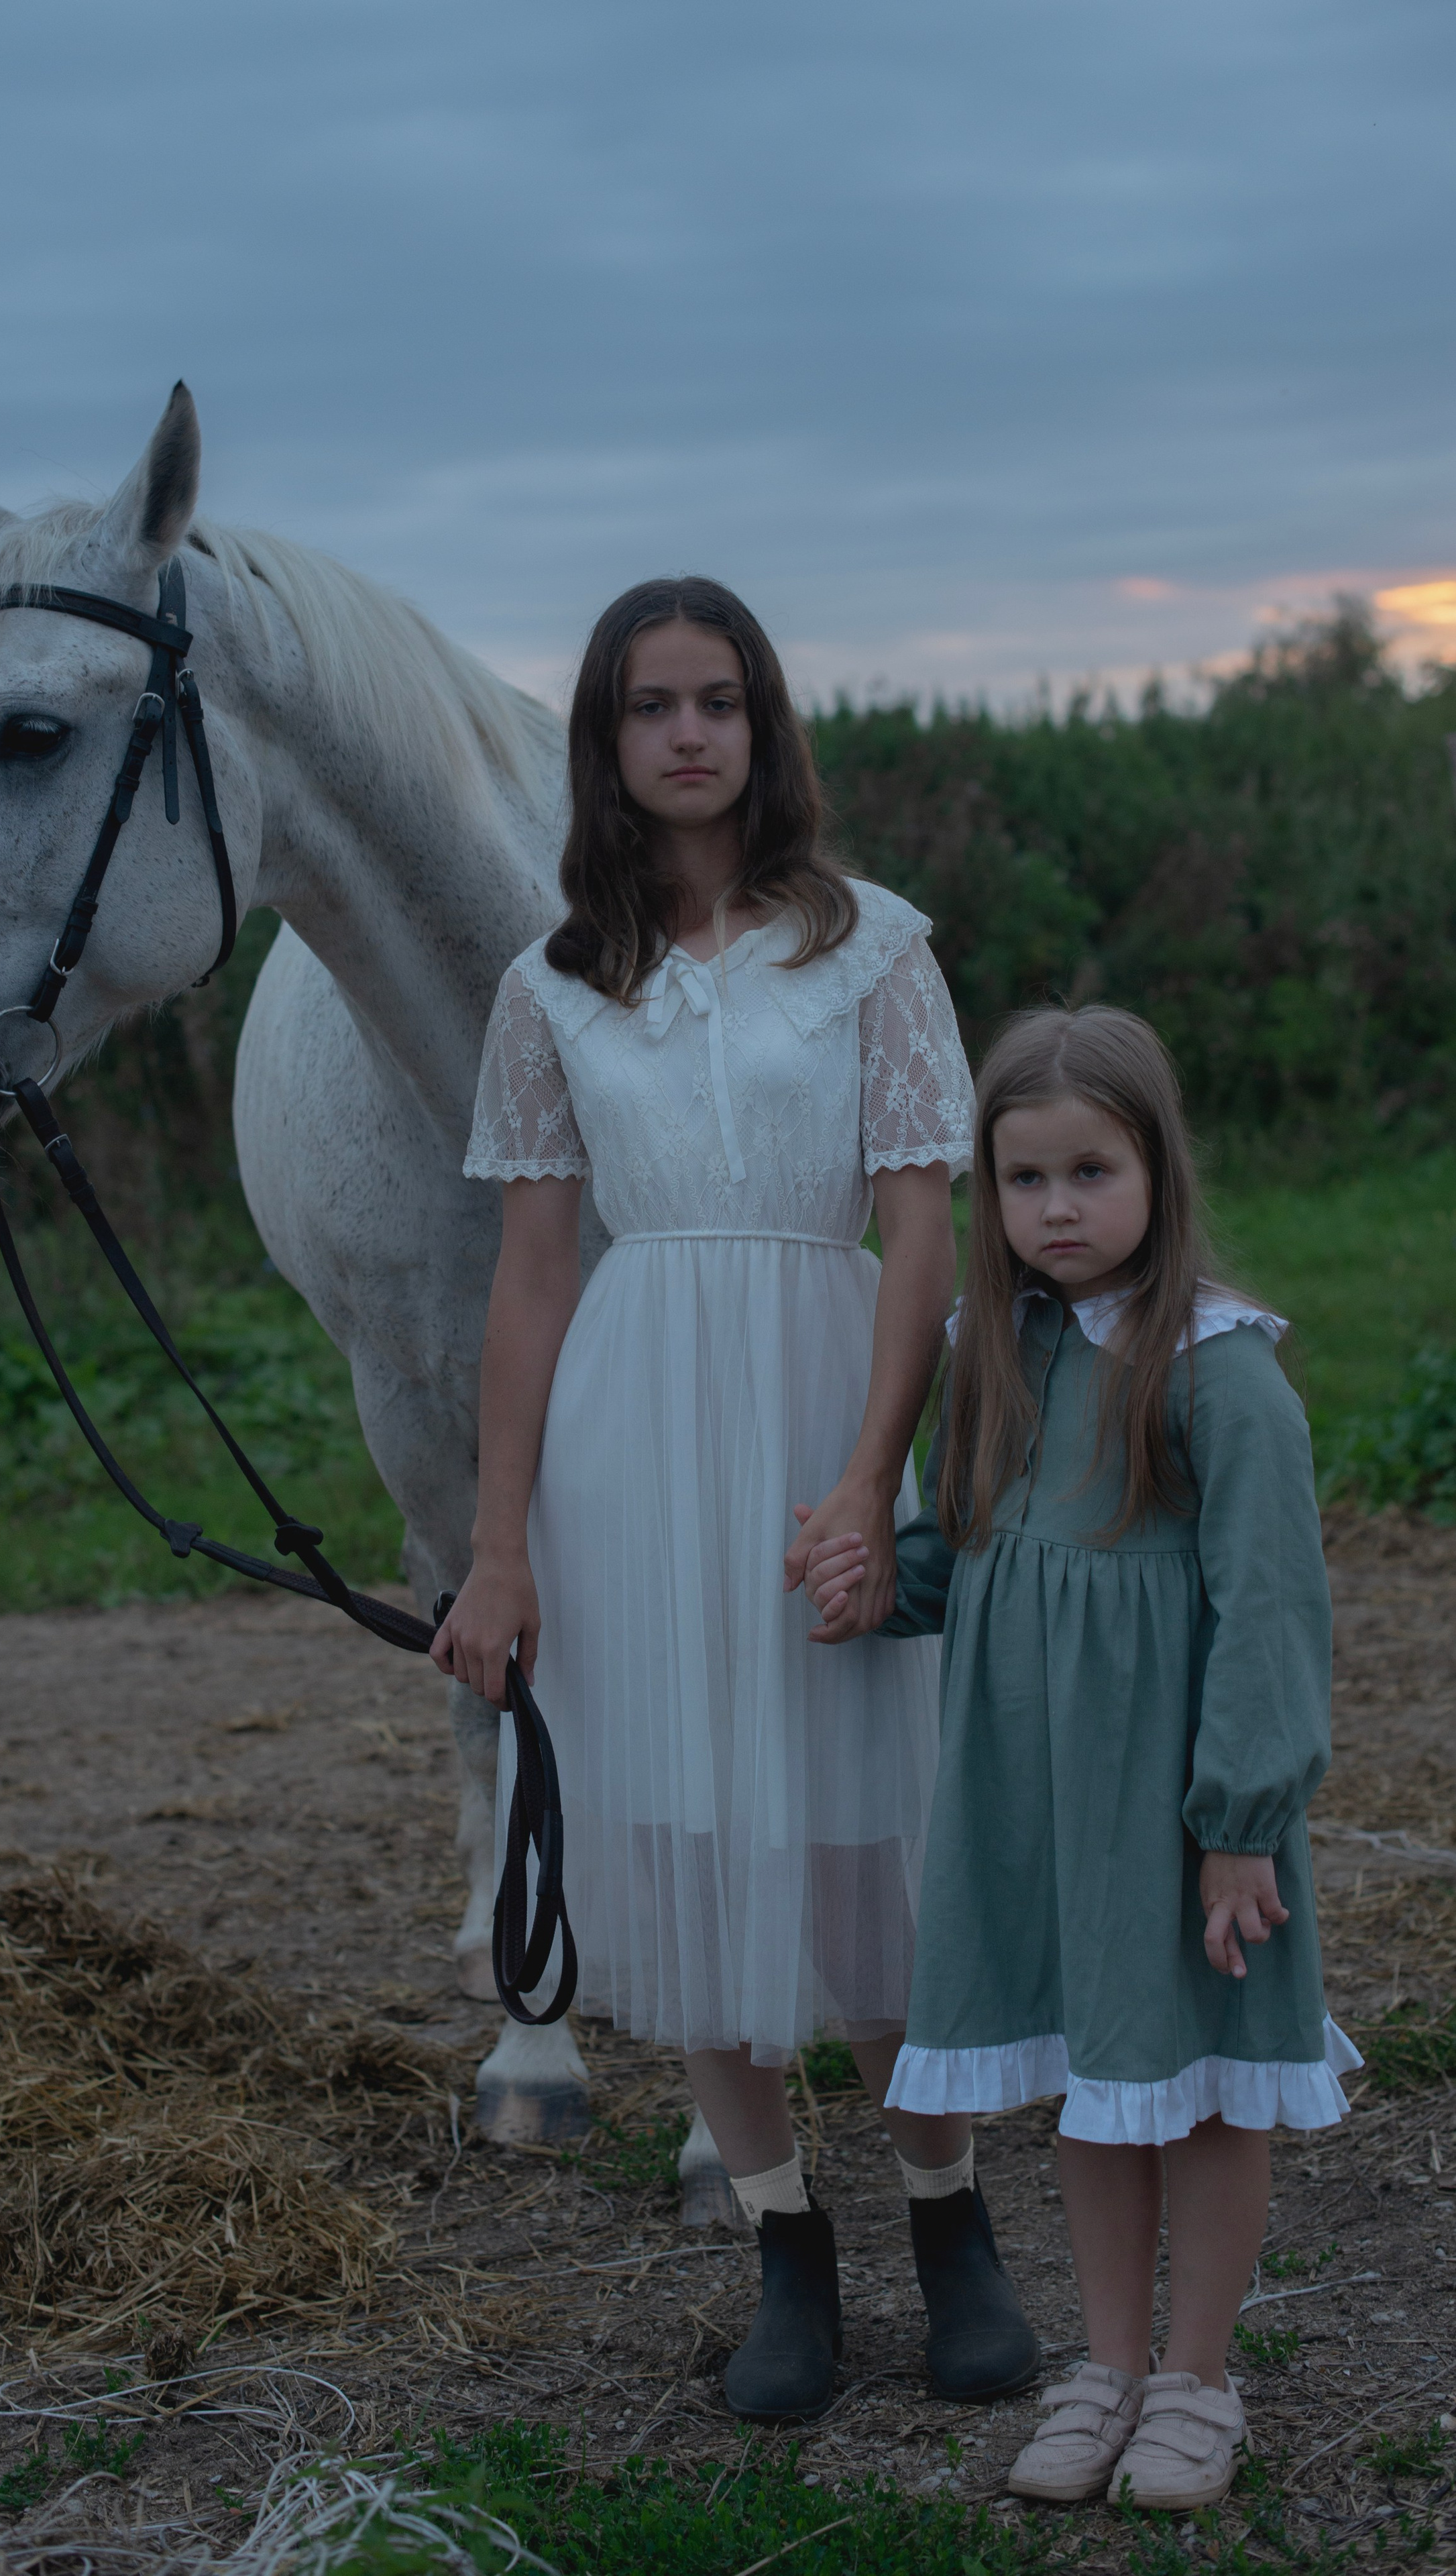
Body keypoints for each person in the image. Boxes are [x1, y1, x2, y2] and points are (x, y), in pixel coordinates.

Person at [432, 576, 1037, 2424]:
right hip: (630, 1437)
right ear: (605, 745)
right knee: (687, 1836)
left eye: (719, 702)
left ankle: (947, 2220)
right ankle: (787, 2247)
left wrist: (869, 1479)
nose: (688, 734)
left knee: (866, 1839)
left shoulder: (870, 952)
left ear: (764, 728)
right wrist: (500, 1542)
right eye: (648, 707)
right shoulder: (554, 986)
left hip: (811, 1401)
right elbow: (535, 1274)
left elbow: (924, 1222)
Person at [805, 1004, 1358, 2510]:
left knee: (1208, 2090)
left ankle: (1193, 2381)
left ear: (1156, 1176)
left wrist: (1239, 1822)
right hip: (1034, 1806)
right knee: (1095, 2092)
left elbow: (1269, 1612)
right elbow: (968, 1562)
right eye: (1023, 1179)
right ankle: (1103, 2367)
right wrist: (872, 1592)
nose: (1055, 1209)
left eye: (1089, 1173)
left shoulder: (1217, 1371)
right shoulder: (986, 1357)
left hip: (1182, 1816)